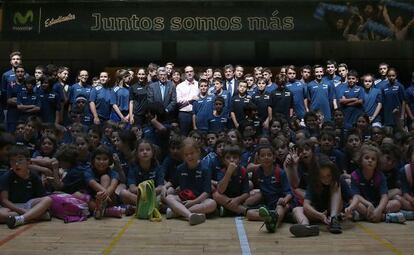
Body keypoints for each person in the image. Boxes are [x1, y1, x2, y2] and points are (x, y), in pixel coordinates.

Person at [163, 137, 217, 225]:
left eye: (192, 153)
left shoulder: (205, 169)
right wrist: (164, 187)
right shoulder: (180, 168)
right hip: (184, 199)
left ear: (198, 152)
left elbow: (206, 192)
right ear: (183, 156)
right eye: (186, 154)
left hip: (199, 201)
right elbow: (173, 182)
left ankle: (177, 212)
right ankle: (189, 216)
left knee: (212, 204)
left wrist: (194, 202)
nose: (189, 156)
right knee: (169, 197)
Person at [347, 145, 405, 223]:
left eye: (373, 159)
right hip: (364, 203)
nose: (370, 160)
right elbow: (356, 195)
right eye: (367, 158)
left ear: (377, 163)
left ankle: (365, 216)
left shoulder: (380, 176)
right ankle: (383, 217)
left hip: (377, 203)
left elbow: (384, 196)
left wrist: (379, 209)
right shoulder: (355, 175)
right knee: (352, 202)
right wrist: (368, 204)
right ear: (360, 160)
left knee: (396, 204)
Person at [0, 145, 52, 229]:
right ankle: (35, 216)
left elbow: (41, 197)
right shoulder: (7, 176)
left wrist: (28, 210)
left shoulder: (34, 176)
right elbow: (4, 201)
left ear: (28, 162)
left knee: (48, 200)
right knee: (1, 214)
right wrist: (23, 211)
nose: (16, 164)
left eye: (20, 160)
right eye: (13, 161)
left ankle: (22, 219)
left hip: (28, 204)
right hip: (12, 207)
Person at [246, 144, 293, 233]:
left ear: (274, 158)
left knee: (281, 207)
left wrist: (284, 199)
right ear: (258, 159)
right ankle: (269, 218)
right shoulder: (258, 171)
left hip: (281, 202)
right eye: (262, 156)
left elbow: (289, 193)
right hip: (268, 205)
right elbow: (248, 168)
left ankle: (274, 224)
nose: (266, 158)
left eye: (269, 155)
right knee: (249, 213)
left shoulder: (280, 172)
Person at [302, 156, 347, 234]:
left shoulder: (337, 180)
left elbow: (353, 198)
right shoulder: (313, 182)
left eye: (329, 175)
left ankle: (334, 219)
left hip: (333, 211)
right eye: (322, 177)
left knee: (335, 184)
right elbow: (306, 205)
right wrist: (320, 215)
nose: (326, 179)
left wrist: (349, 209)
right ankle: (306, 227)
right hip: (318, 213)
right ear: (317, 176)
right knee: (297, 209)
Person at [119, 139, 164, 207]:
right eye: (141, 150)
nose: (145, 152)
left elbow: (160, 187)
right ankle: (150, 206)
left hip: (153, 195)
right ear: (137, 154)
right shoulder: (133, 167)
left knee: (165, 194)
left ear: (152, 152)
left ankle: (142, 207)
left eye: (148, 149)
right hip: (138, 195)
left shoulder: (158, 167)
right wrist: (145, 192)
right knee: (123, 193)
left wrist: (150, 192)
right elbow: (132, 188)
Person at [213, 144, 249, 216]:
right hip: (226, 199)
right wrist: (229, 172)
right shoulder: (222, 171)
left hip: (239, 199)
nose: (232, 160)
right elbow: (221, 190)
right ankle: (244, 211)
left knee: (257, 194)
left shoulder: (243, 171)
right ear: (223, 160)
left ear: (239, 159)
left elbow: (246, 193)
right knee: (216, 195)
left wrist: (237, 200)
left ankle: (228, 210)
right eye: (228, 158)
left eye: (235, 157)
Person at [176, 66, 199, 135]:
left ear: (194, 73)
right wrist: (190, 100)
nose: (189, 73)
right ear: (184, 74)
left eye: (191, 71)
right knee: (184, 135)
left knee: (197, 134)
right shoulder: (180, 86)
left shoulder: (199, 84)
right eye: (187, 72)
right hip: (184, 114)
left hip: (197, 113)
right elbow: (178, 100)